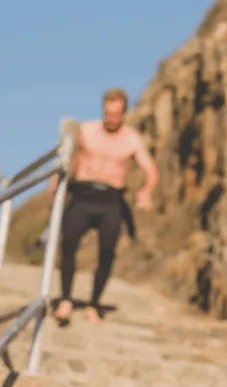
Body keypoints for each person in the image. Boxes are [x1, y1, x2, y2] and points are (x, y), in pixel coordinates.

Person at [50, 88, 158, 324]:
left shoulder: (131, 139)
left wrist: (146, 192)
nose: (111, 119)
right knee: (68, 243)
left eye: (116, 115)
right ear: (103, 110)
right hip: (82, 195)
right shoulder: (86, 131)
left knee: (107, 252)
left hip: (110, 200)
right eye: (108, 113)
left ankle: (94, 303)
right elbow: (66, 157)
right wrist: (55, 183)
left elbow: (150, 170)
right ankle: (66, 299)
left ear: (123, 113)